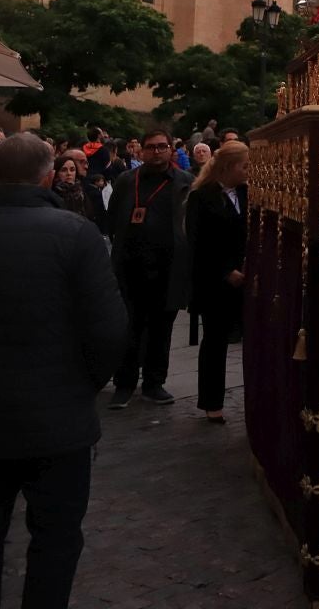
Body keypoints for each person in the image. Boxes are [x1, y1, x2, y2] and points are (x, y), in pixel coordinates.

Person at [0, 133, 127, 609]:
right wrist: (83, 384)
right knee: (56, 536)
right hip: (58, 420)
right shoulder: (76, 234)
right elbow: (109, 329)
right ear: (48, 177)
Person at [106, 130, 193, 408]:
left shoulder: (184, 181)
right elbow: (112, 216)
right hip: (129, 265)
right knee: (128, 326)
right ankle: (124, 382)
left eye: (162, 146)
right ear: (141, 150)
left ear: (170, 149)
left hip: (167, 266)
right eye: (151, 147)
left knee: (161, 328)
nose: (157, 151)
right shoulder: (126, 180)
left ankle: (154, 383)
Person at [186, 141, 249, 424]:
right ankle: (212, 402)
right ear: (228, 167)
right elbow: (198, 243)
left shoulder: (247, 194)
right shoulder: (202, 197)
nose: (248, 171)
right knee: (215, 341)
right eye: (244, 166)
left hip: (245, 276)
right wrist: (225, 271)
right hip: (214, 282)